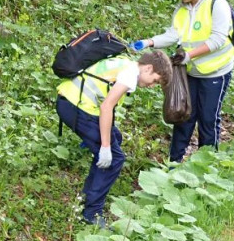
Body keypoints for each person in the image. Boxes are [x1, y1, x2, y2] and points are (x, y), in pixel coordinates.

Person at [56, 51, 172, 228]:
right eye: (155, 80)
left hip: (71, 102)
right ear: (148, 68)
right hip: (76, 107)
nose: (151, 86)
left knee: (115, 137)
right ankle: (92, 212)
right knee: (115, 158)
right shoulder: (129, 75)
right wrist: (104, 145)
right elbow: (107, 106)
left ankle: (86, 196)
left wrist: (107, 141)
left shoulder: (125, 64)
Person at [132, 0, 234, 162]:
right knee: (183, 116)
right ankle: (174, 163)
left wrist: (189, 55)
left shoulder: (217, 4)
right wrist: (149, 42)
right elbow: (174, 34)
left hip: (216, 71)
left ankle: (207, 165)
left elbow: (217, 40)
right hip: (191, 72)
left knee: (207, 119)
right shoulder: (182, 8)